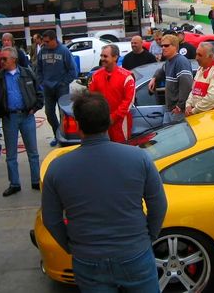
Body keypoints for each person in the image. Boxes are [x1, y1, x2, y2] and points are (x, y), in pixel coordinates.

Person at [42, 92, 167, 293]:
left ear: (78, 126)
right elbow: (159, 205)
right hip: (135, 253)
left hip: (88, 258)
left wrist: (72, 247)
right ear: (108, 121)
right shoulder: (138, 158)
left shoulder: (57, 168)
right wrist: (146, 238)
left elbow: (51, 219)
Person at [0, 47, 43, 197]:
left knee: (33, 152)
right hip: (9, 118)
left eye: (4, 59)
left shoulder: (27, 73)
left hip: (27, 116)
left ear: (14, 59)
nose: (2, 61)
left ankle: (36, 181)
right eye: (1, 58)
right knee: (11, 154)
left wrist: (35, 107)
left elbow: (39, 93)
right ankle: (14, 183)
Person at [37, 30, 78, 147]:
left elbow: (73, 71)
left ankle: (64, 137)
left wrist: (63, 83)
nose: (44, 44)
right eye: (43, 41)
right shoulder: (42, 51)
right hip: (47, 88)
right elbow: (38, 69)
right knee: (49, 113)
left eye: (47, 41)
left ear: (54, 40)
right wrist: (42, 82)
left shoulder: (64, 51)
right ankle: (57, 134)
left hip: (61, 88)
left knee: (63, 114)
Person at [88, 44, 136, 143]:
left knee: (122, 150)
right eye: (101, 56)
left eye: (105, 56)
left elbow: (128, 102)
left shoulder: (127, 76)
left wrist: (113, 117)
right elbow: (91, 98)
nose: (102, 59)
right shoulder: (96, 75)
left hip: (121, 122)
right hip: (102, 121)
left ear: (115, 57)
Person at [148, 34, 193, 124]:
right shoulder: (169, 61)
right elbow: (162, 70)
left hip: (177, 110)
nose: (163, 48)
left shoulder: (181, 61)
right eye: (162, 46)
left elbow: (187, 86)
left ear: (175, 47)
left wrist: (180, 106)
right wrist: (154, 78)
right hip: (169, 109)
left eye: (166, 45)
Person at [185, 42, 214, 116]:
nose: (196, 58)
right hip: (197, 114)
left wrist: (194, 111)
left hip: (210, 116)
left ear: (211, 56)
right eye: (196, 54)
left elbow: (212, 97)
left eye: (200, 55)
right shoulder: (200, 68)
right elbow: (193, 90)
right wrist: (188, 105)